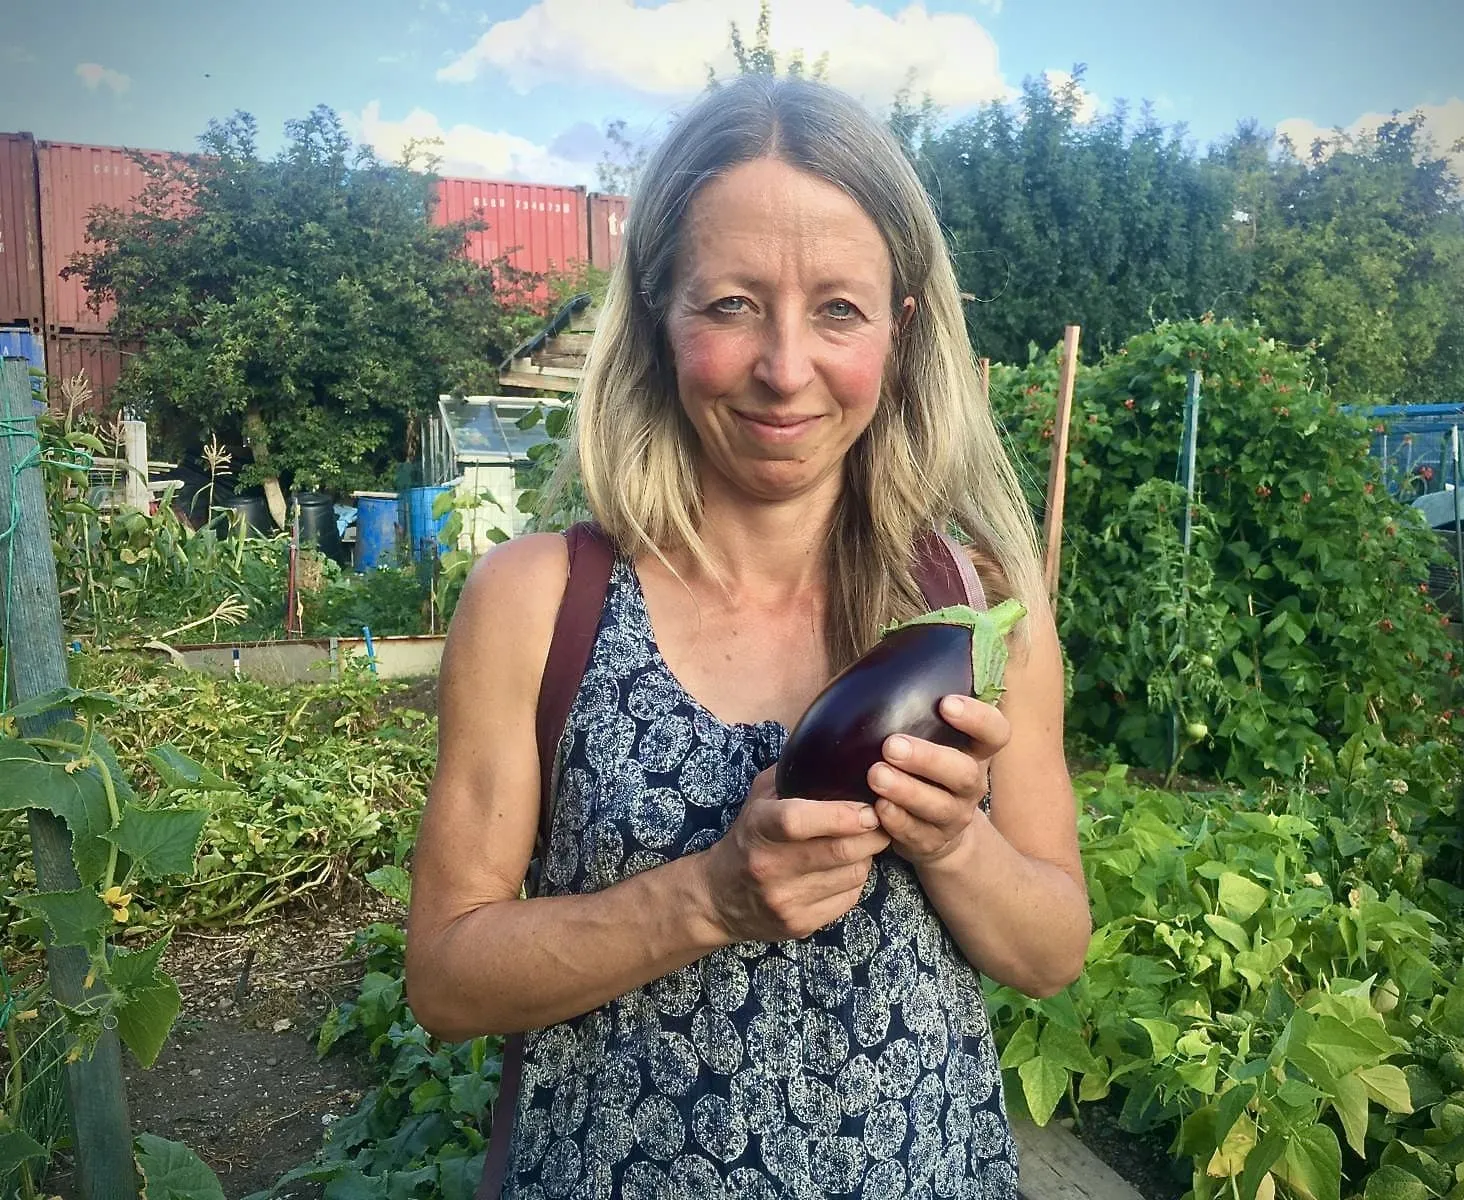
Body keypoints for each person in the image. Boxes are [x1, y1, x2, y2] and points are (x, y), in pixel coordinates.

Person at [405, 73, 1092, 1200]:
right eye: (729, 305)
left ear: (901, 328)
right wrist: (706, 899)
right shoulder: (539, 603)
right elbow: (444, 977)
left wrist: (955, 843)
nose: (785, 368)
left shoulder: (975, 608)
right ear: (660, 311)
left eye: (838, 309)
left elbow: (1052, 950)